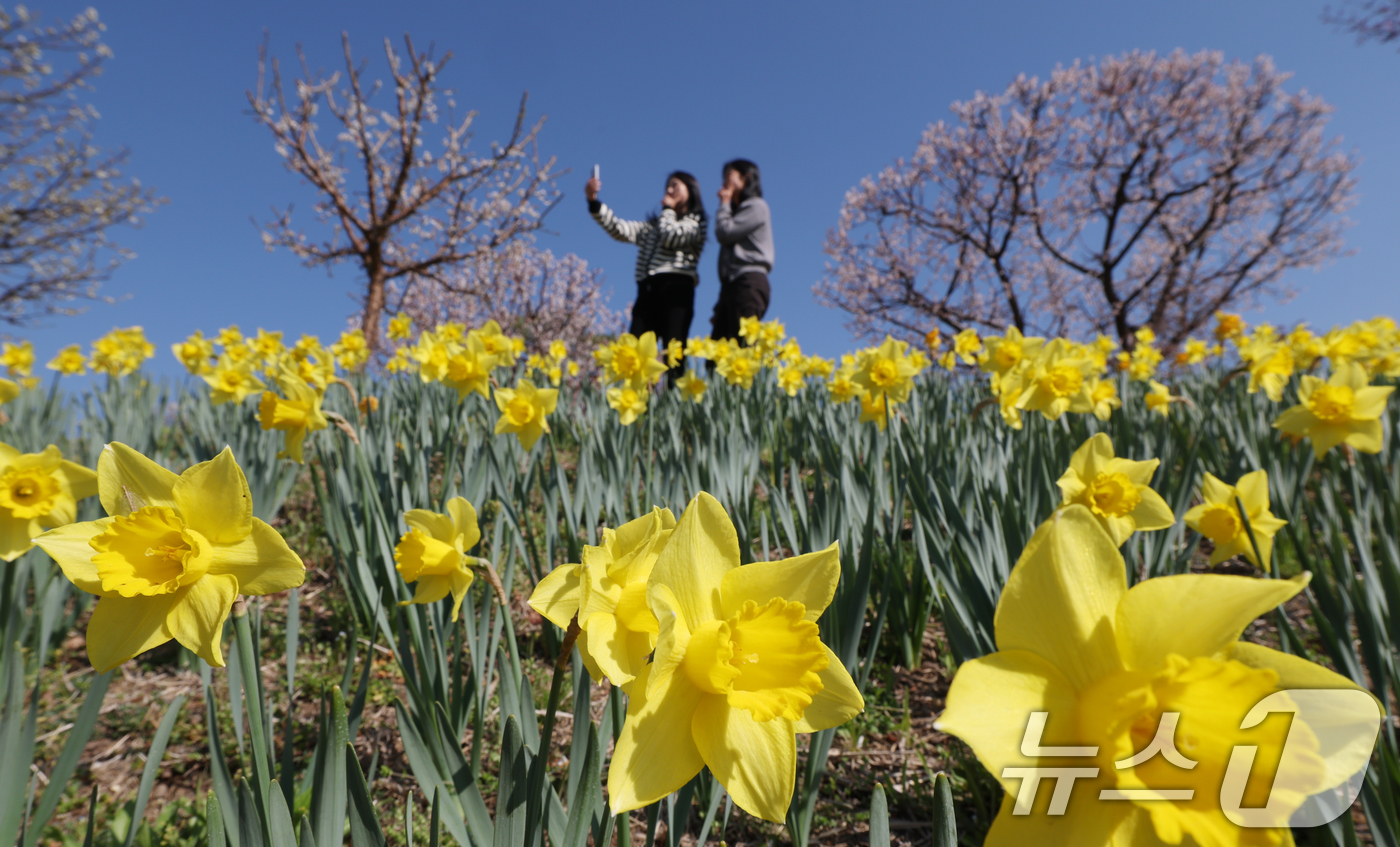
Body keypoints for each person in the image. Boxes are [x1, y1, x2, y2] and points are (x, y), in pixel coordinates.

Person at [586, 171, 706, 381]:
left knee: (674, 350)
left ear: (691, 191)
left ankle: (674, 397)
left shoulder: (696, 223)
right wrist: (593, 201)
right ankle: (637, 397)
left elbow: (671, 236)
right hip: (647, 290)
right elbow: (619, 229)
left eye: (675, 185)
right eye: (667, 186)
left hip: (677, 289)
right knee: (635, 350)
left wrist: (667, 210)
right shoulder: (652, 227)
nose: (669, 190)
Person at [711, 159, 773, 345]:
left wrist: (724, 203)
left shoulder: (757, 206)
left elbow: (724, 232)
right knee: (717, 354)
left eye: (729, 175)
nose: (724, 181)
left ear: (746, 177)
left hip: (749, 281)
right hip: (731, 284)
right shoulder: (735, 213)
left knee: (744, 347)